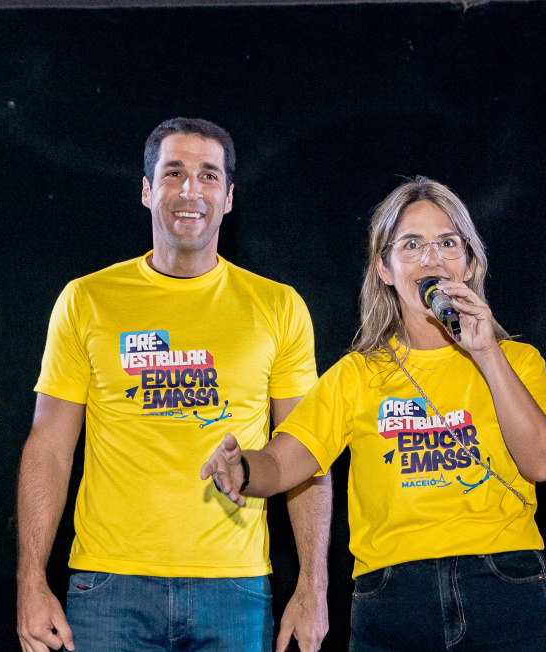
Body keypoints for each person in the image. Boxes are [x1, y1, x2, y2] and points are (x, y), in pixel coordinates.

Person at [202, 176, 546, 651]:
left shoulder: (518, 362)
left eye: (447, 243)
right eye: (412, 245)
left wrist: (487, 354)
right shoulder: (356, 375)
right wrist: (243, 468)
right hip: (395, 598)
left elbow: (545, 464)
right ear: (384, 267)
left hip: (504, 585)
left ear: (468, 259)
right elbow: (285, 462)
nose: (432, 257)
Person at [16, 117, 331, 652]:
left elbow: (306, 451)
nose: (191, 190)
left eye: (209, 176)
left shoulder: (278, 306)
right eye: (174, 173)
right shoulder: (86, 299)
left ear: (229, 198)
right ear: (146, 189)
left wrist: (313, 585)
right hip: (107, 586)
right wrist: (30, 581)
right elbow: (48, 446)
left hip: (235, 589)